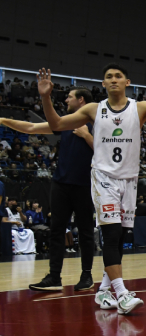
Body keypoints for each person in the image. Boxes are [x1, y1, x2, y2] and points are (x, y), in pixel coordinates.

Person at [37, 60, 146, 315]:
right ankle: (122, 294)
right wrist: (46, 97)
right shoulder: (94, 109)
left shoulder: (141, 108)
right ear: (103, 83)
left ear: (127, 83)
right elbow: (57, 125)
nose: (113, 79)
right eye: (109, 76)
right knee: (111, 236)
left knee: (122, 238)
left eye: (118, 76)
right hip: (104, 177)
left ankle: (104, 290)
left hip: (130, 179)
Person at [1, 87, 96, 291]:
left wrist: (87, 136)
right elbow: (31, 127)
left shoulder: (98, 123)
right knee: (56, 231)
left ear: (81, 100)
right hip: (61, 184)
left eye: (70, 97)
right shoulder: (65, 123)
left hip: (86, 185)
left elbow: (107, 153)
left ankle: (86, 276)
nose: (66, 100)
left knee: (86, 232)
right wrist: (3, 120)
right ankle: (54, 277)